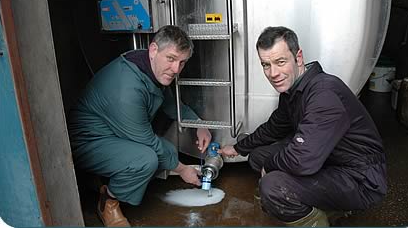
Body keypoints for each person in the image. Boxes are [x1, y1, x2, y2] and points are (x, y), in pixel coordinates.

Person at [218, 26, 387, 226]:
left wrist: (270, 167)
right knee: (257, 157)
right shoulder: (293, 90)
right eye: (266, 65)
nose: (273, 73)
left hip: (359, 178)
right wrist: (238, 148)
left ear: (298, 57)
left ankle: (321, 218)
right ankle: (315, 201)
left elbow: (302, 160)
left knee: (272, 187)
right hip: (328, 158)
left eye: (280, 62)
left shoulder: (324, 94)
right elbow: (274, 127)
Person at [68, 25, 211, 227]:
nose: (176, 69)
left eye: (182, 62)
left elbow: (168, 102)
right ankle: (107, 202)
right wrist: (182, 169)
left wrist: (197, 123)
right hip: (88, 141)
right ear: (154, 50)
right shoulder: (127, 89)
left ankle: (100, 177)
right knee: (145, 160)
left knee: (152, 155)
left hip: (114, 133)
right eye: (171, 59)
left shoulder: (147, 66)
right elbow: (148, 141)